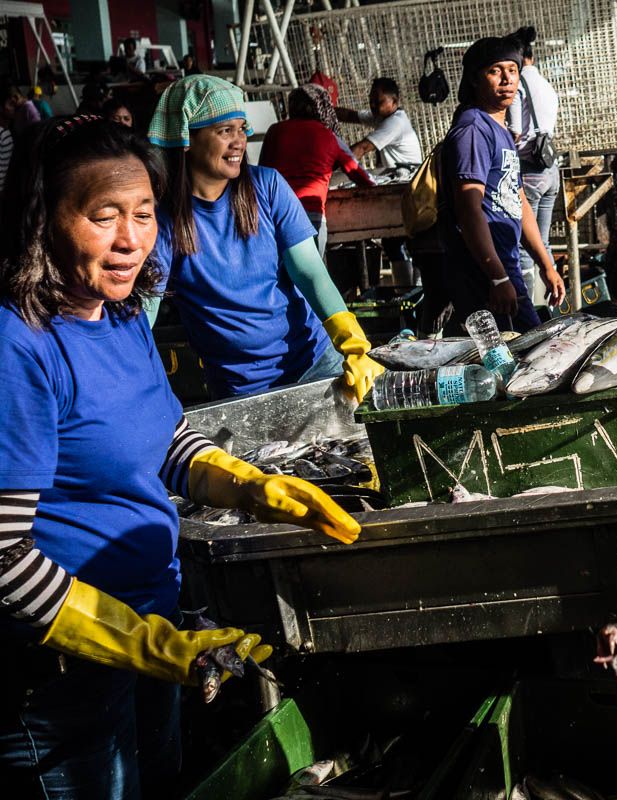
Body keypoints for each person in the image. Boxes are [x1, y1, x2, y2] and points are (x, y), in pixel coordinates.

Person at [0, 115, 360, 799]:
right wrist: (140, 642)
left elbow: (165, 440)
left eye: (143, 214)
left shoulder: (119, 314)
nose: (131, 239)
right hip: (64, 677)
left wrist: (251, 486)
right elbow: (3, 555)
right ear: (43, 220)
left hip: (153, 630)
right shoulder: (18, 345)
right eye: (103, 216)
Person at [146, 75, 385, 401]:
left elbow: (310, 272)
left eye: (241, 129)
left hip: (314, 363)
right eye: (225, 131)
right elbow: (146, 308)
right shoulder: (161, 219)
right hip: (240, 389)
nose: (238, 141)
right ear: (186, 138)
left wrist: (352, 342)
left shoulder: (268, 186)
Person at [439, 36, 566, 332]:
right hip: (484, 272)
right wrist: (497, 277)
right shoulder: (473, 129)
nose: (507, 79)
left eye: (513, 70)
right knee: (518, 350)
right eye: (495, 71)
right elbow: (469, 209)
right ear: (474, 79)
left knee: (525, 346)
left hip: (505, 265)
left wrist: (546, 265)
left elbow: (519, 202)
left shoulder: (502, 131)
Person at [260, 83, 375, 257]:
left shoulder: (274, 131)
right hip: (310, 217)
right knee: (311, 271)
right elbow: (359, 175)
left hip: (274, 215)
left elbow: (262, 173)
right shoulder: (330, 137)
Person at [508, 26, 560, 307]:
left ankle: (530, 308)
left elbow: (516, 132)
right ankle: (553, 306)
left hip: (529, 171)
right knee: (544, 242)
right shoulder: (546, 85)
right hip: (551, 171)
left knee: (526, 244)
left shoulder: (519, 87)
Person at [334, 77, 422, 175]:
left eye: (378, 101)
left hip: (408, 177)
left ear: (394, 102)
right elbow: (351, 116)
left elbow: (362, 148)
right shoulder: (382, 116)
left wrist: (329, 166)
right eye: (371, 101)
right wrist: (326, 110)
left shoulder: (395, 123)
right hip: (396, 174)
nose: (373, 105)